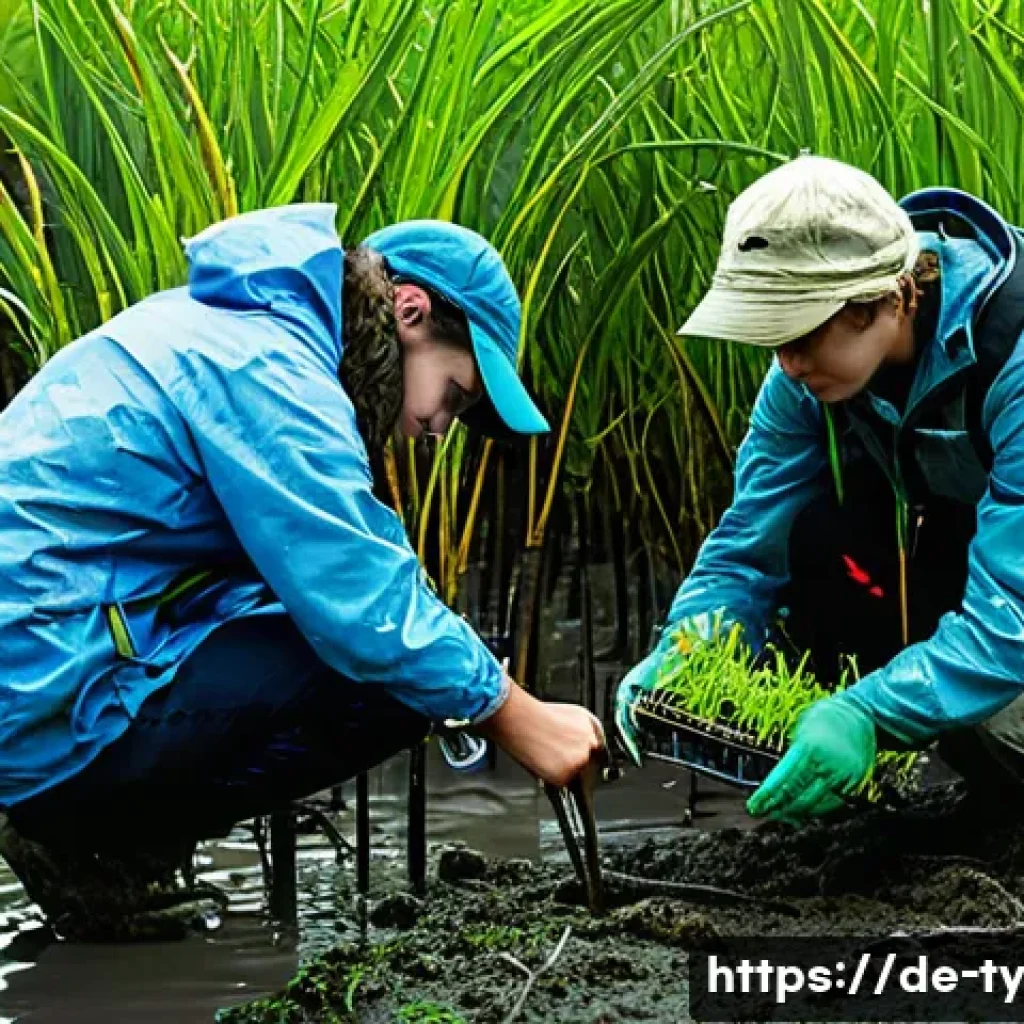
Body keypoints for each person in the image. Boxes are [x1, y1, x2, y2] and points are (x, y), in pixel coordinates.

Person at [0, 205, 605, 917]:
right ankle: (91, 840)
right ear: (410, 312)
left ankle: (86, 837)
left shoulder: (233, 328)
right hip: (43, 702)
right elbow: (362, 604)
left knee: (389, 651)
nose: (441, 430)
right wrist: (517, 715)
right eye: (456, 395)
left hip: (40, 677)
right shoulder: (274, 372)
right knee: (393, 685)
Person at [616, 155, 1024, 824]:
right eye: (775, 335)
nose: (788, 362)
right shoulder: (802, 384)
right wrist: (686, 648)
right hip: (967, 560)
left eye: (804, 331)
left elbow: (1013, 614)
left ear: (890, 298)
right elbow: (750, 545)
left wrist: (868, 713)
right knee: (824, 539)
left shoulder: (1012, 356)